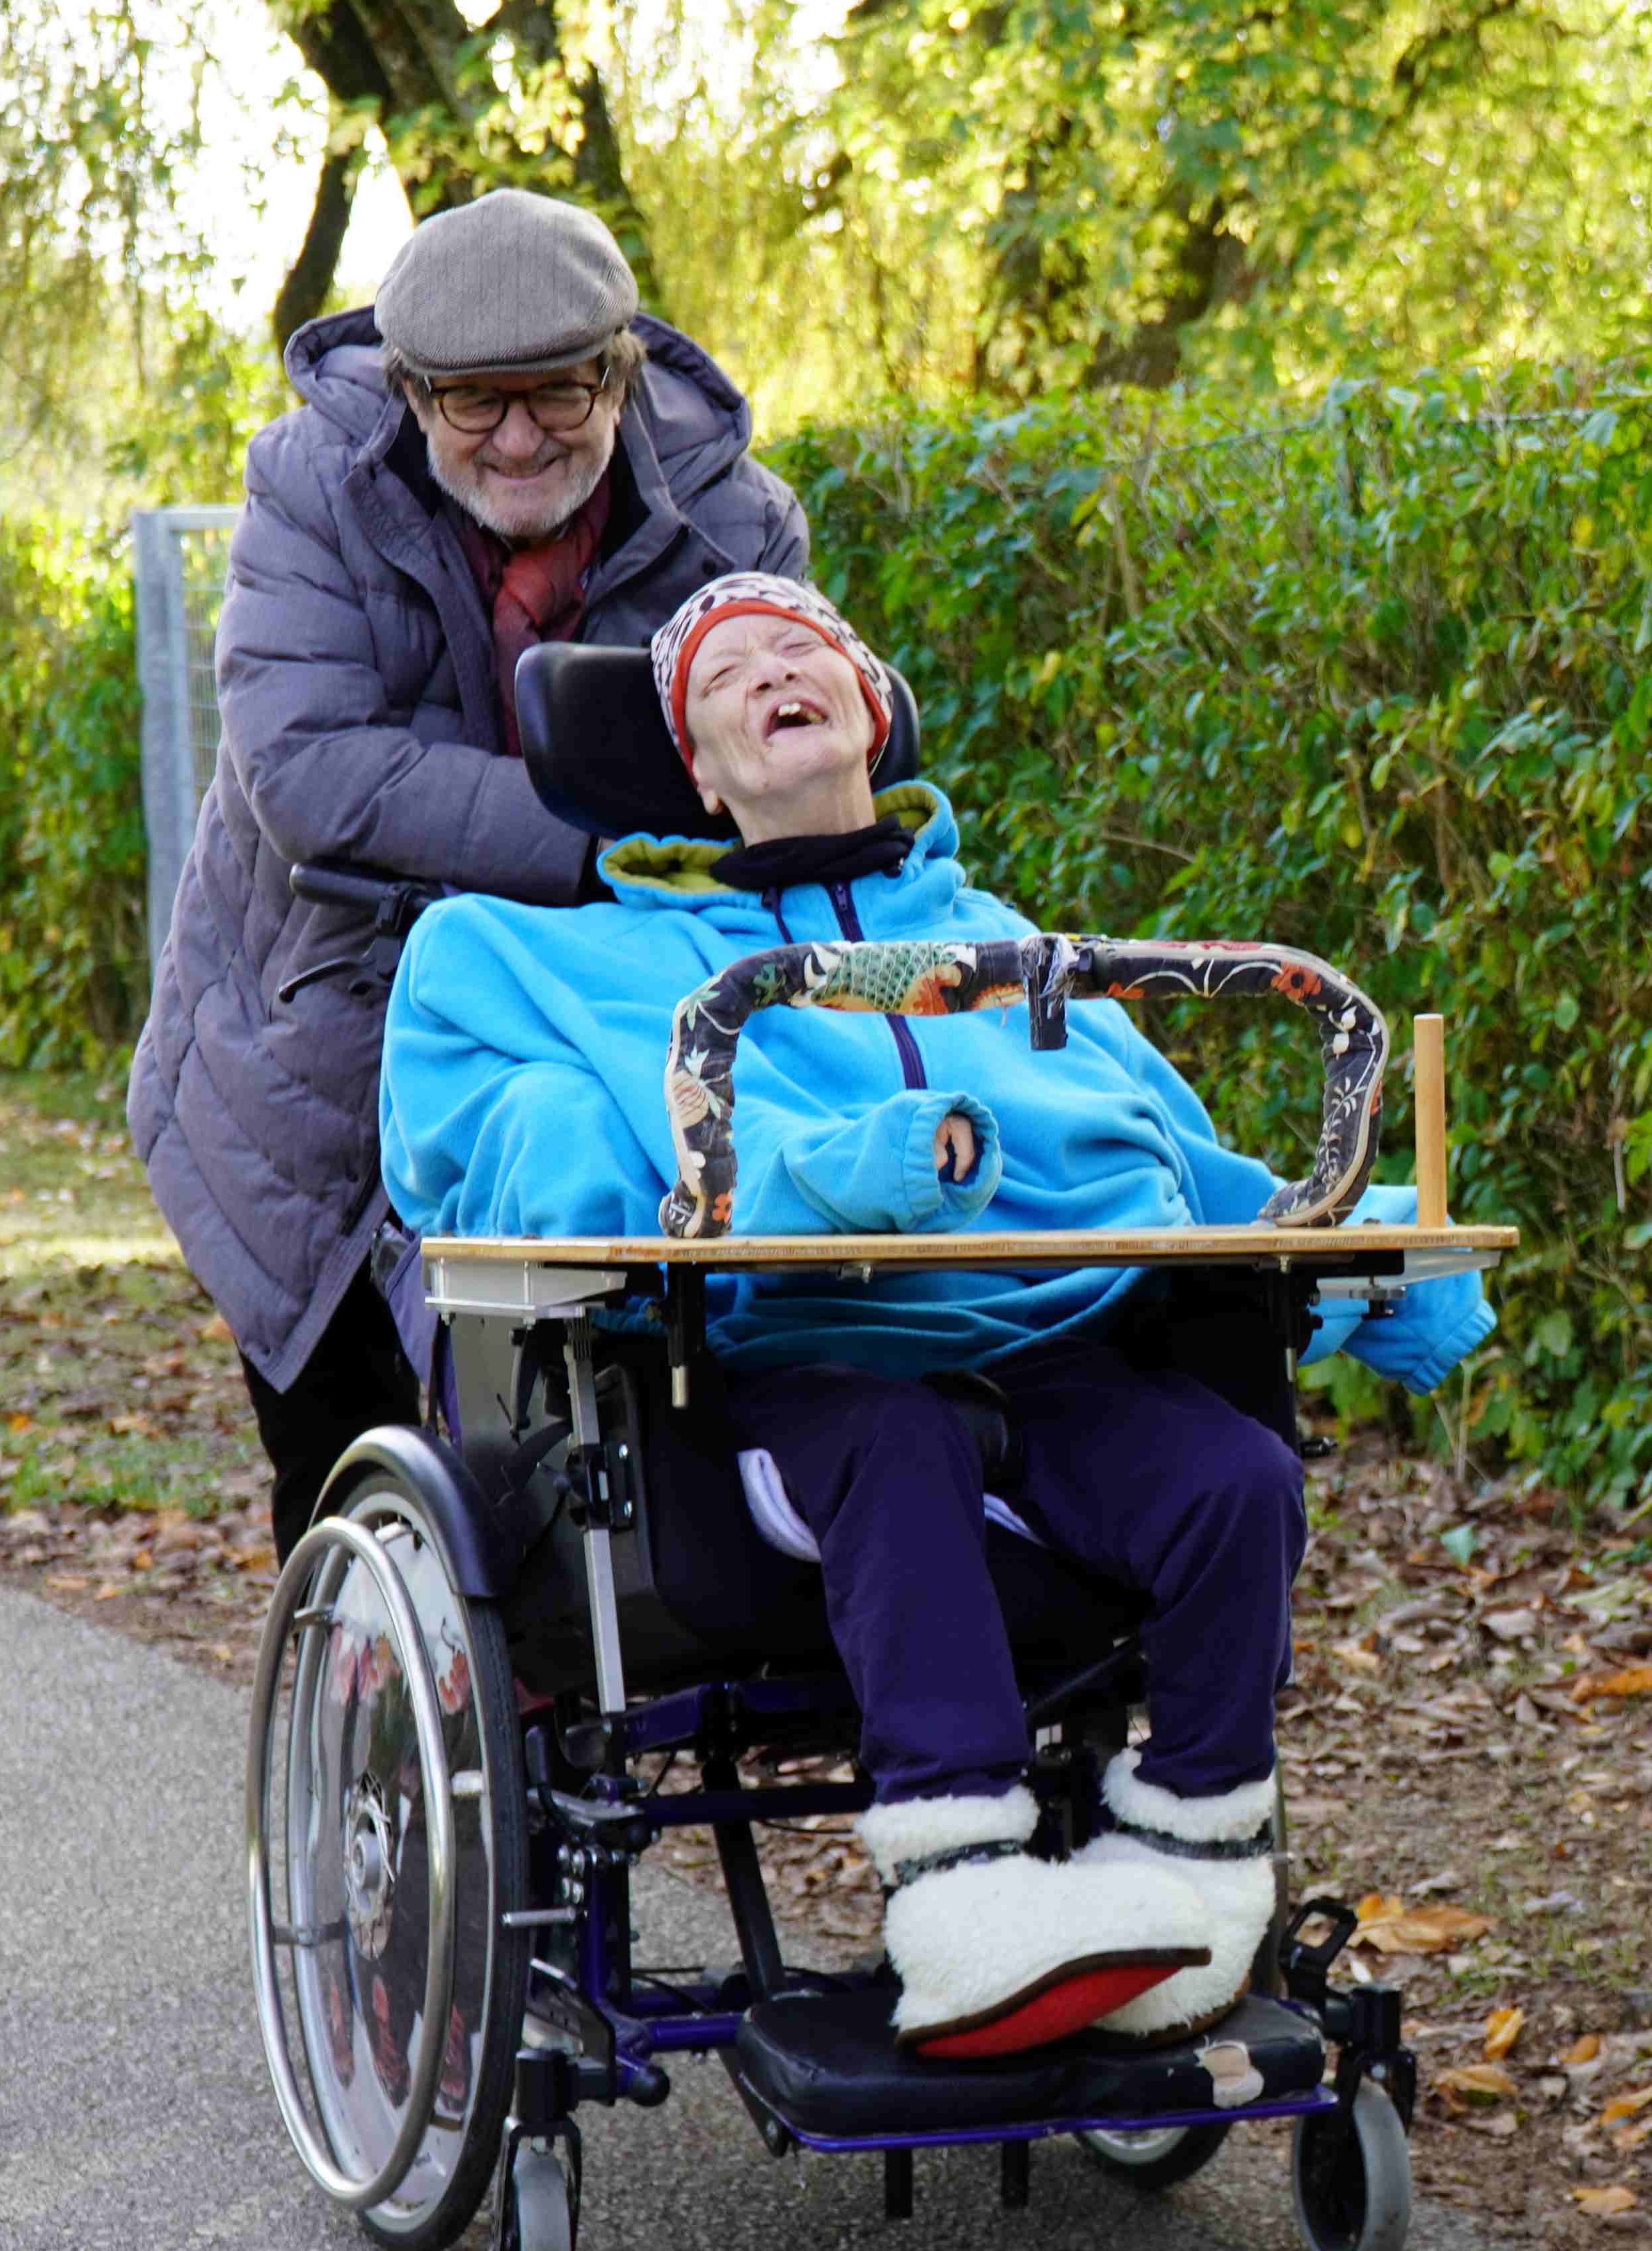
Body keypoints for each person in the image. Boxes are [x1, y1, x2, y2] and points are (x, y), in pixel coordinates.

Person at [377, 574, 1494, 2060]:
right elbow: (519, 1143)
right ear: (696, 771)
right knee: (902, 1444)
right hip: (797, 1365)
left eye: (808, 652)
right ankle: (966, 1897)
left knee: (1239, 1480)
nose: (779, 672)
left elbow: (1173, 1162)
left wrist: (1362, 1250)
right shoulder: (591, 963)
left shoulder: (1017, 950)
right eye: (731, 676)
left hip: (1055, 1339)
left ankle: (1189, 1874)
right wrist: (833, 1174)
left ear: (872, 712)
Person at [127, 188, 810, 1558]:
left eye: (555, 396)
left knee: (615, 1439)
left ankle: (572, 1711)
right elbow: (312, 771)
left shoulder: (738, 521)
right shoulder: (307, 484)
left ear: (617, 371)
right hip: (316, 1037)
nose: (513, 439)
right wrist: (607, 841)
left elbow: (783, 764)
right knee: (351, 1467)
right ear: (408, 388)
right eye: (467, 403)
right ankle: (373, 1739)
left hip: (612, 1032)